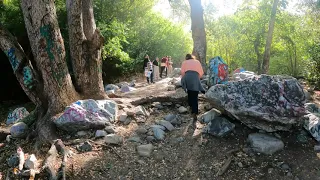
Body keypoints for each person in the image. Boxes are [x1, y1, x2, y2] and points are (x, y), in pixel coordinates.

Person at [181, 54, 205, 128]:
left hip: (187, 77)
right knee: (195, 95)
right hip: (195, 77)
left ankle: (191, 107)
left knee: (189, 93)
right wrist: (198, 77)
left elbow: (182, 72)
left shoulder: (184, 62)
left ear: (186, 58)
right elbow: (201, 72)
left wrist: (183, 79)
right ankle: (195, 112)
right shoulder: (197, 61)